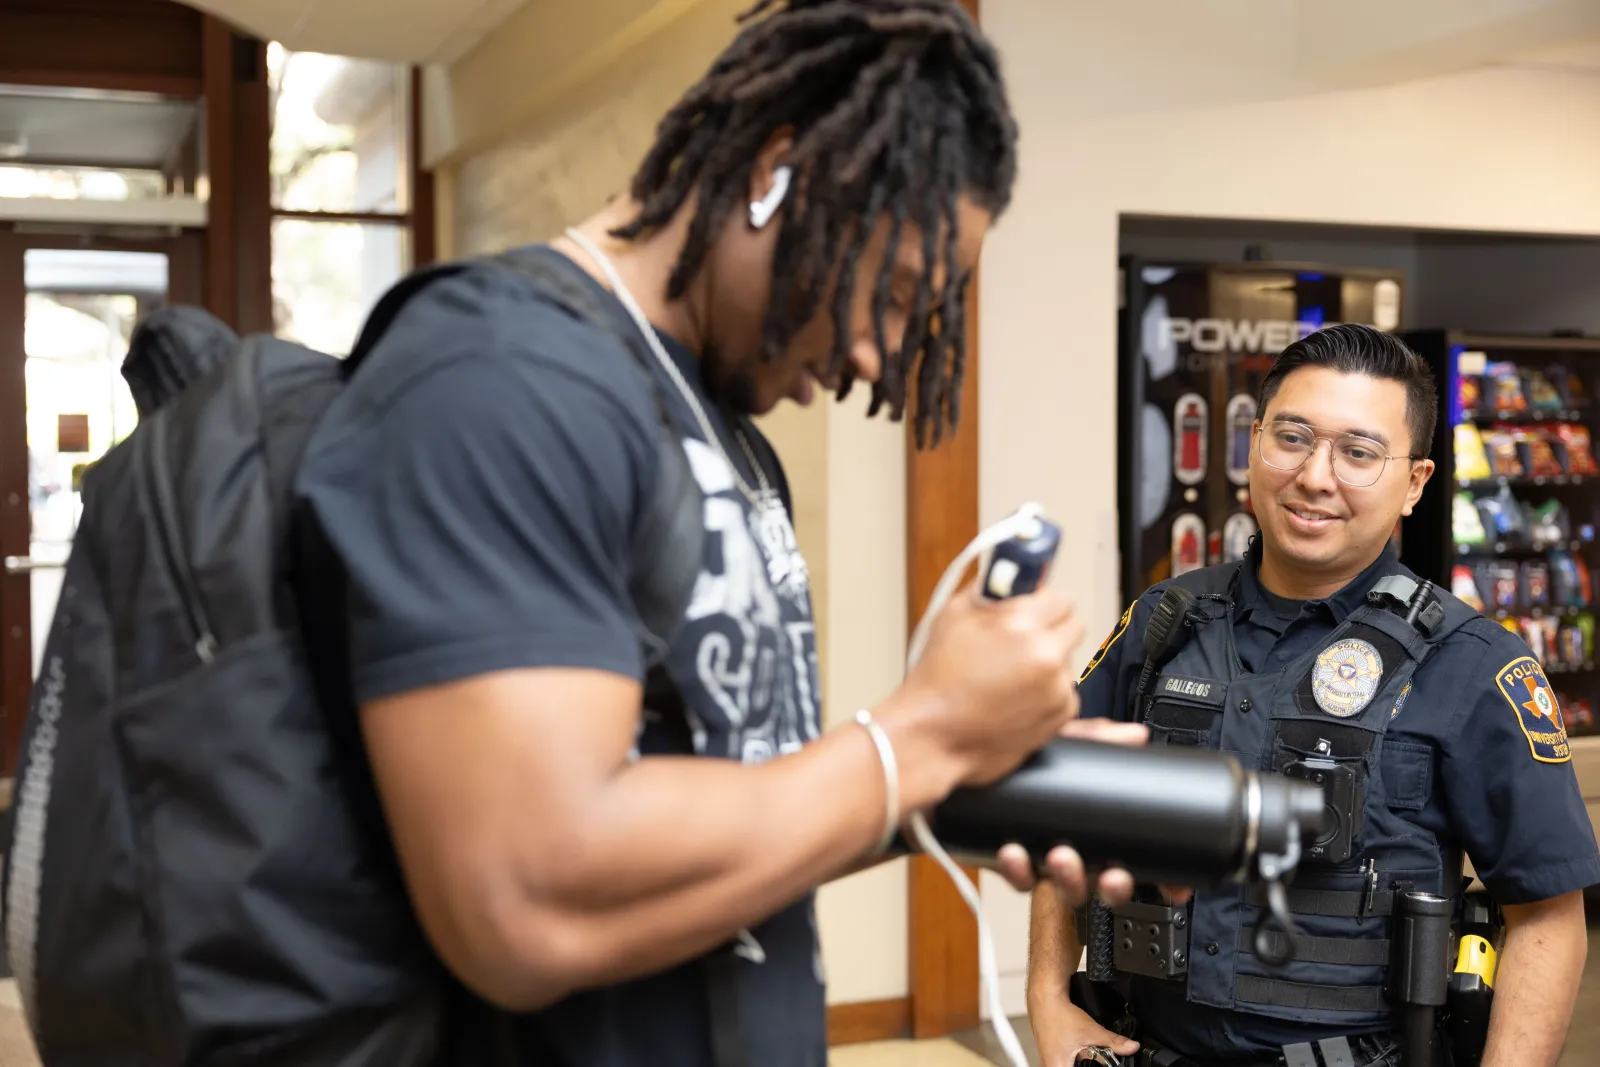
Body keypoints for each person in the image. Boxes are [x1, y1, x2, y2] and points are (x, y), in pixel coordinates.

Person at [292, 2, 1144, 1065]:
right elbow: (526, 897)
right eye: (894, 292)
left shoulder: (729, 441)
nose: (883, 356)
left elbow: (726, 811)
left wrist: (965, 780)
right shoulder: (500, 381)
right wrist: (917, 734)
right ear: (772, 170)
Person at [1027, 324, 1600, 1067]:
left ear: (1417, 480)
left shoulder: (1474, 666)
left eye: (1359, 452)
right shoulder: (1162, 623)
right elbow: (1063, 804)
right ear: (1256, 440)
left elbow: (1547, 918)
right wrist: (1047, 996)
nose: (1316, 476)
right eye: (1293, 437)